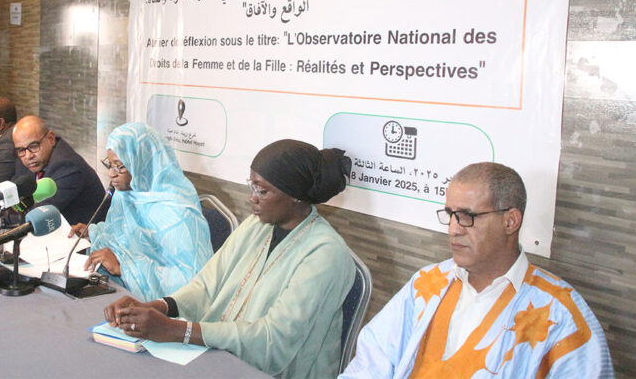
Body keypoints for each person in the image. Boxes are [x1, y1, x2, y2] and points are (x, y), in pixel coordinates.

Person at [103, 139, 355, 379]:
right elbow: (206, 286)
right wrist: (159, 307)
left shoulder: (325, 253)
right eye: (251, 186)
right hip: (223, 357)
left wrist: (176, 330)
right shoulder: (257, 225)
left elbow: (274, 340)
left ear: (295, 195)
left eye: (262, 190)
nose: (252, 197)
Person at [340, 162, 614, 379]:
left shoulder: (560, 314)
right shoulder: (426, 284)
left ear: (510, 221)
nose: (453, 229)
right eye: (450, 215)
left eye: (467, 216)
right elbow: (369, 365)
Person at [70, 122, 212, 301]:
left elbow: (193, 284)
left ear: (143, 164)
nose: (111, 174)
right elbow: (122, 236)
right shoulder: (126, 194)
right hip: (119, 289)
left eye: (120, 166)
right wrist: (93, 233)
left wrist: (124, 268)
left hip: (156, 308)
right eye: (110, 164)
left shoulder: (179, 213)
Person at [12, 115, 107, 224]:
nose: (28, 156)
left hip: (83, 232)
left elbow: (37, 214)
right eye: (21, 150)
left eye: (34, 146)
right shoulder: (27, 159)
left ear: (51, 139)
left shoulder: (67, 166)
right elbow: (15, 198)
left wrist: (10, 213)